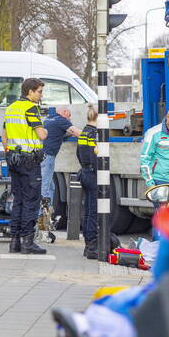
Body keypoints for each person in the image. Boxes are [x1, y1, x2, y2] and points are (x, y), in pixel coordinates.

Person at [1, 77, 48, 254]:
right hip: (29, 161)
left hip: (14, 160)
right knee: (31, 202)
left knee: (18, 201)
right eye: (39, 92)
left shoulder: (11, 108)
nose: (41, 95)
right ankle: (28, 242)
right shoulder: (31, 108)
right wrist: (47, 130)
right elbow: (42, 135)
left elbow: (3, 137)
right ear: (30, 91)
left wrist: (10, 153)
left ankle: (14, 242)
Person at [40, 107, 81, 206]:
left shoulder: (48, 119)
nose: (69, 118)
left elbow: (55, 133)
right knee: (45, 187)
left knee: (50, 187)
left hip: (41, 155)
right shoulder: (61, 120)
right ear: (64, 112)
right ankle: (41, 216)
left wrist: (65, 134)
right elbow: (77, 132)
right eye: (69, 115)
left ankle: (48, 212)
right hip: (48, 156)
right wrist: (92, 134)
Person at [76, 105, 99, 260]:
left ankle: (88, 243)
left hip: (84, 171)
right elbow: (96, 155)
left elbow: (79, 153)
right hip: (93, 174)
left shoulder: (84, 131)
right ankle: (92, 245)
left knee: (88, 210)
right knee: (94, 211)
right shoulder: (95, 134)